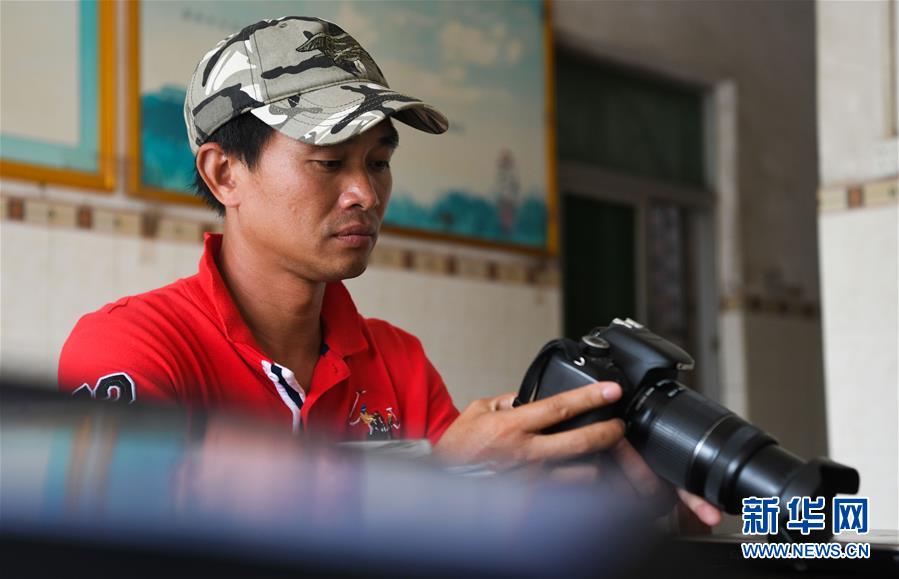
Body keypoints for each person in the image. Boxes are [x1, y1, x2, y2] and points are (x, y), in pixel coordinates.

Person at [58, 16, 720, 526]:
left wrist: (589, 485)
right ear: (224, 172)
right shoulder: (134, 347)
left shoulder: (397, 362)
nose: (365, 194)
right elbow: (124, 538)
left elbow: (463, 532)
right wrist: (439, 473)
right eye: (328, 162)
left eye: (378, 162)